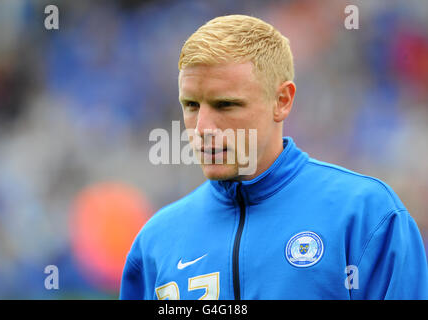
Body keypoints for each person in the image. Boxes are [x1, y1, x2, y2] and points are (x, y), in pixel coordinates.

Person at [120, 15, 428, 300]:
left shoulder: (366, 214)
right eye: (191, 105)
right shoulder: (155, 242)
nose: (202, 128)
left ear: (282, 101)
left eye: (225, 104)